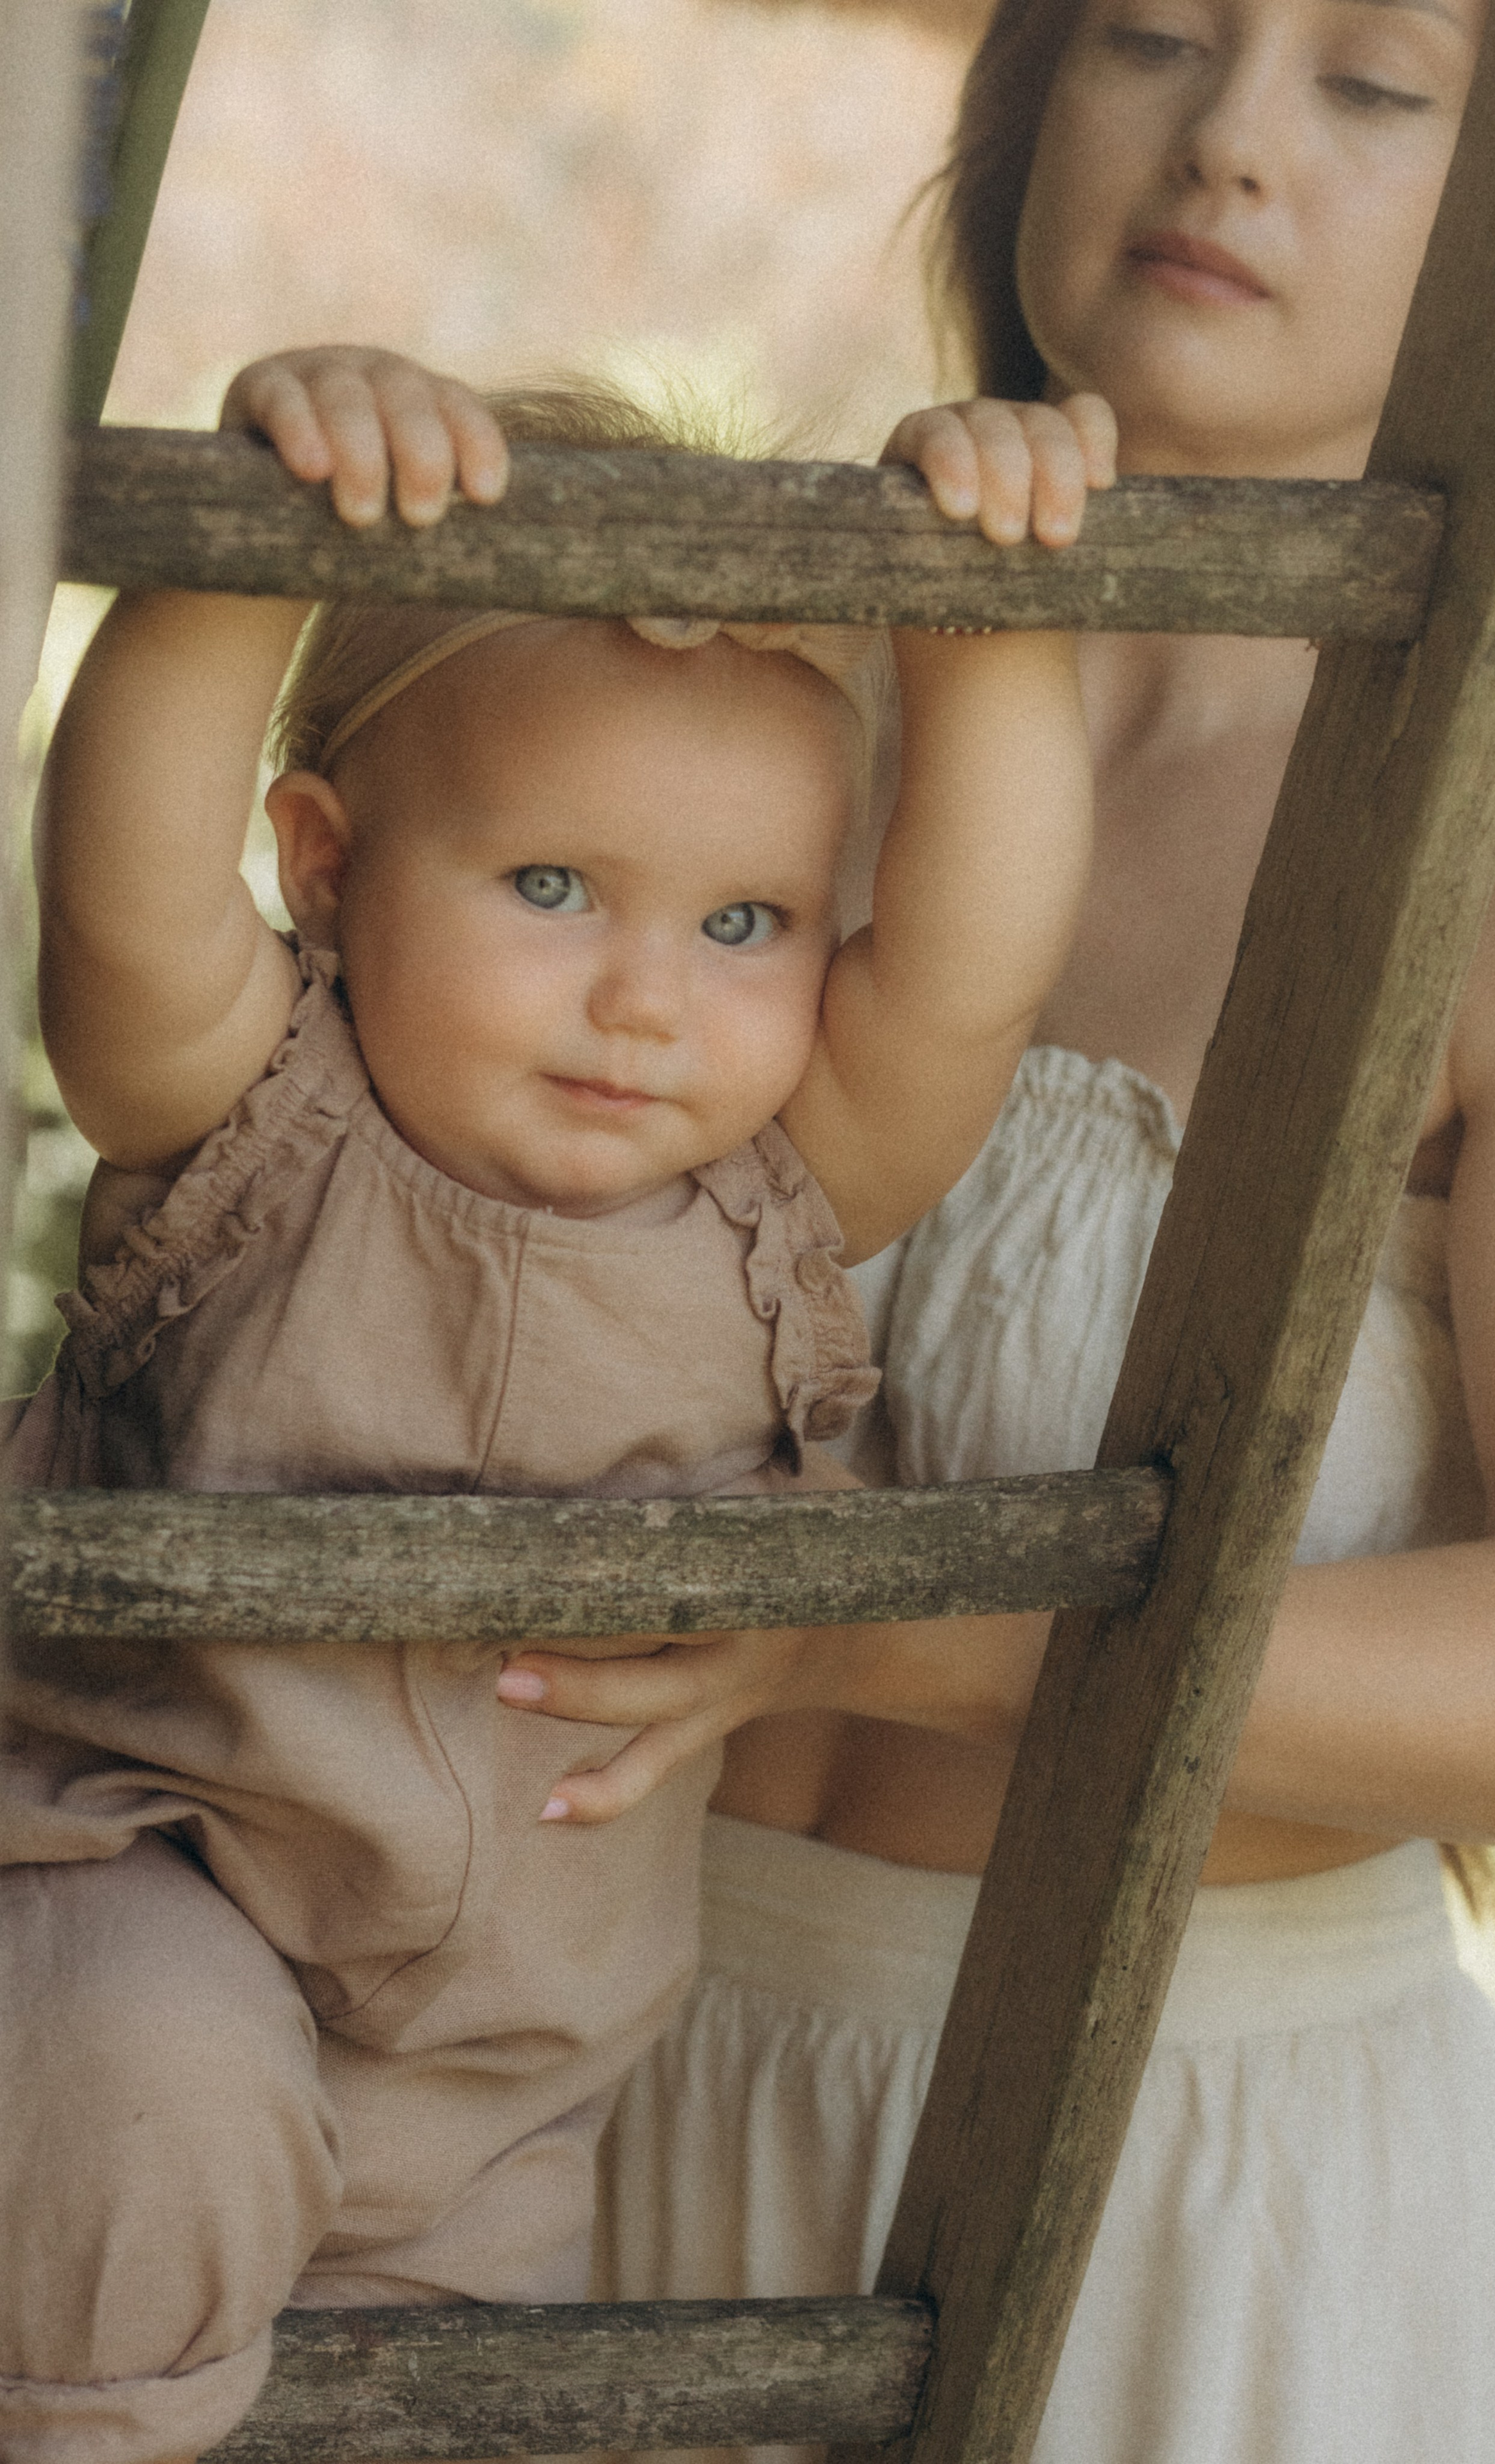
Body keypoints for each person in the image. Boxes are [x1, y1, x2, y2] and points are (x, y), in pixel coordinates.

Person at [499, 3, 1495, 2456]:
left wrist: (925, 1635)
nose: (1228, 139)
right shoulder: (748, 716)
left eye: (1372, 80)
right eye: (1154, 31)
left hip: (1193, 2202)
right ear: (1028, 99)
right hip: (566, 2103)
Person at [0, 345, 1112, 2464]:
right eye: (547, 889)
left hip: (499, 2100)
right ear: (325, 866)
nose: (645, 996)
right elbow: (127, 883)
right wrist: (267, 534)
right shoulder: (249, 1112)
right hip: (133, 1917)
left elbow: (974, 964)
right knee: (142, 2106)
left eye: (744, 921)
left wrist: (993, 617)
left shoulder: (779, 1206)